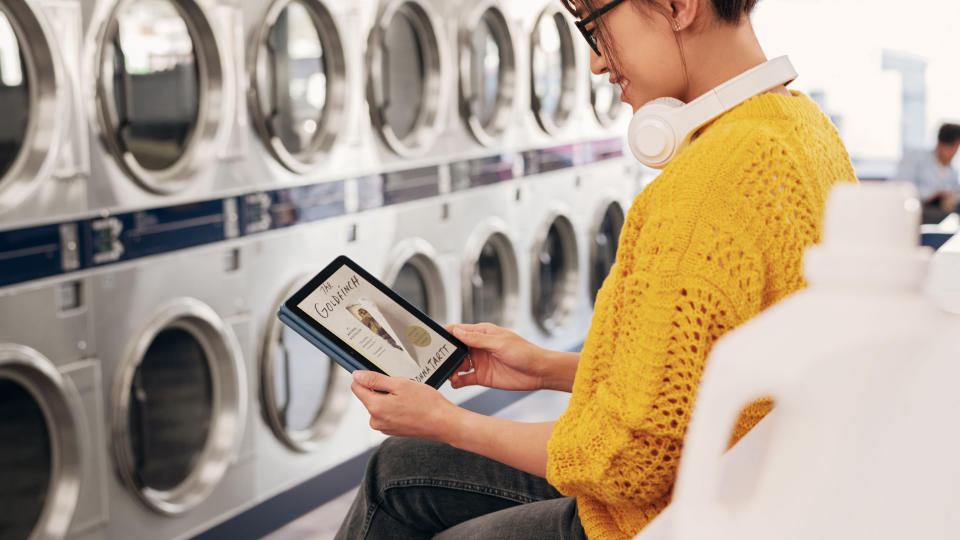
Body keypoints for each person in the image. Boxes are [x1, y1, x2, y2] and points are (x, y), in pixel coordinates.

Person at [336, 1, 857, 538]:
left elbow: (625, 464)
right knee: (397, 467)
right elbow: (693, 384)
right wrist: (544, 368)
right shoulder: (805, 128)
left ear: (679, 7)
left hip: (662, 514)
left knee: (406, 477)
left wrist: (447, 422)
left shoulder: (704, 187)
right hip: (747, 483)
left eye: (595, 27)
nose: (596, 65)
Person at [893, 123, 960, 224]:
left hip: (940, 214)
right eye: (952, 147)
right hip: (915, 211)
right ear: (940, 144)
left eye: (956, 148)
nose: (954, 152)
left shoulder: (952, 170)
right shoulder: (916, 158)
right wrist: (931, 194)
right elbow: (900, 187)